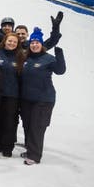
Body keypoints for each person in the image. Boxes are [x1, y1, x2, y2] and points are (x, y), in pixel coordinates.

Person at [19, 28, 66, 165]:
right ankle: (30, 150)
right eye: (32, 42)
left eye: (37, 42)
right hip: (27, 99)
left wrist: (59, 53)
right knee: (27, 125)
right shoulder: (25, 58)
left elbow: (60, 71)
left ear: (41, 45)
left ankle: (34, 156)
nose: (34, 45)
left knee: (37, 126)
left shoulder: (48, 59)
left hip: (44, 99)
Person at [0, 33, 25, 157]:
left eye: (14, 42)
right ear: (5, 41)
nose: (12, 43)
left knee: (10, 121)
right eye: (10, 41)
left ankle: (8, 147)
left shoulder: (20, 56)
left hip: (12, 95)